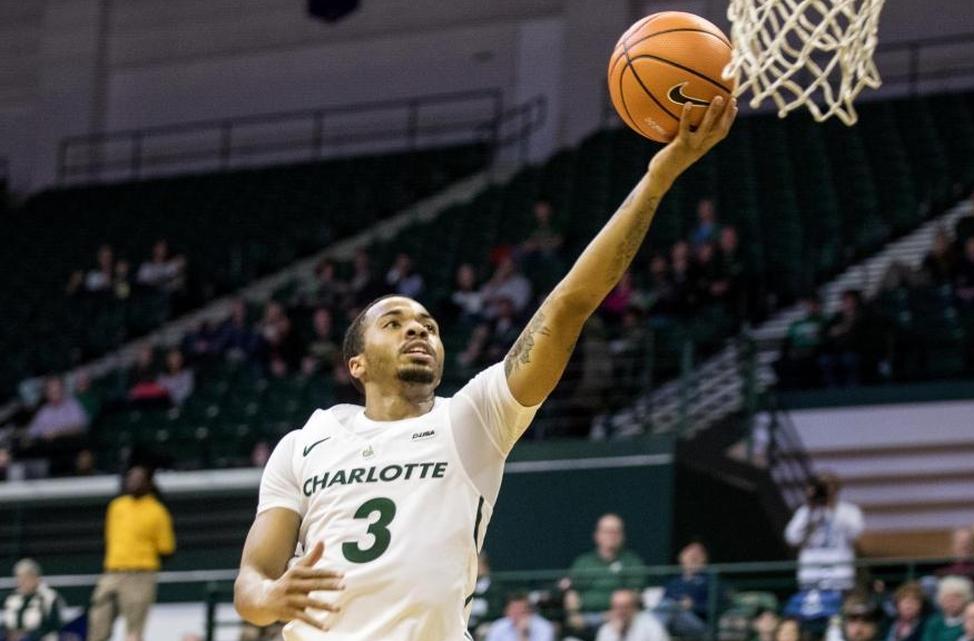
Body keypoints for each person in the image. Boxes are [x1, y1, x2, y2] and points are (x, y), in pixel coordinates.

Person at [231, 98, 738, 641]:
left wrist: (656, 180)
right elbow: (251, 583)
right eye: (394, 322)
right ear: (356, 363)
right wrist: (272, 595)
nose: (418, 330)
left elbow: (568, 304)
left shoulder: (472, 419)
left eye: (427, 324)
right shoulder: (306, 441)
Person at [88, 466, 176, 641]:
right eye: (130, 479)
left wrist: (143, 562)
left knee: (134, 630)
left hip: (139, 575)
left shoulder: (157, 511)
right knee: (98, 621)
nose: (133, 483)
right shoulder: (116, 507)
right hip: (112, 572)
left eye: (138, 479)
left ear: (148, 484)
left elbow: (166, 548)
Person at [564, 514, 648, 630]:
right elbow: (572, 593)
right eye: (607, 531)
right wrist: (574, 615)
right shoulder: (583, 562)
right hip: (587, 618)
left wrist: (617, 613)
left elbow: (635, 594)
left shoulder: (632, 561)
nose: (612, 536)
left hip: (620, 619)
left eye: (616, 531)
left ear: (623, 536)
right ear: (597, 535)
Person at [784, 472, 864, 591]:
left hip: (839, 569)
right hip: (811, 570)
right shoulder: (805, 512)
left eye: (828, 486)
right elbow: (791, 538)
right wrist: (810, 514)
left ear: (836, 489)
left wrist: (832, 509)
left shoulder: (849, 511)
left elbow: (855, 534)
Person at [655, 541, 713, 638]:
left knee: (669, 606)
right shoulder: (673, 582)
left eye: (697, 555)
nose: (693, 557)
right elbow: (663, 603)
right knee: (663, 607)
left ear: (704, 559)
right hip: (672, 621)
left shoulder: (710, 580)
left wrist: (694, 605)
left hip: (699, 624)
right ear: (682, 558)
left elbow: (719, 605)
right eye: (690, 555)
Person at [1, 559, 64, 641]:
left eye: (26, 578)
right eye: (19, 578)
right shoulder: (12, 597)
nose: (21, 582)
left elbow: (54, 625)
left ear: (36, 577)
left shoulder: (50, 596)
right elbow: (7, 621)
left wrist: (28, 634)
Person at [936, 528, 974, 597]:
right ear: (953, 545)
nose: (964, 545)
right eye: (960, 542)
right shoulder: (943, 569)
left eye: (967, 542)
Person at [596, 589, 669, 641]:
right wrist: (617, 635)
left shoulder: (651, 625)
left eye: (625, 607)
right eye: (617, 607)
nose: (620, 611)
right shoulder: (606, 630)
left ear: (634, 608)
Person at [922, 576, 974, 641]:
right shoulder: (934, 622)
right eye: (947, 598)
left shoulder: (969, 622)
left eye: (957, 597)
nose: (951, 602)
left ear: (965, 599)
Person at [484, 593, 555, 641]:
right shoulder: (499, 625)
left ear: (529, 610)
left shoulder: (544, 626)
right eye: (514, 609)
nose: (517, 613)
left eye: (521, 609)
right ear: (507, 611)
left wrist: (523, 634)